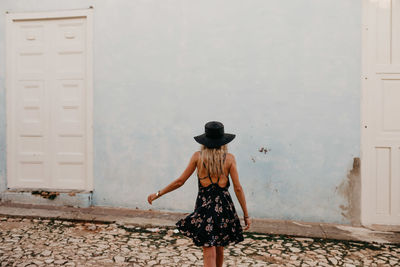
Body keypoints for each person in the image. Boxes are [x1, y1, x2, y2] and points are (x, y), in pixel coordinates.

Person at [147, 121, 251, 267]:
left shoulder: (198, 157)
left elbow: (179, 181)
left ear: (205, 140)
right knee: (219, 246)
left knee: (209, 247)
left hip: (205, 208)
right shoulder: (230, 159)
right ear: (223, 141)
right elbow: (238, 188)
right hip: (224, 208)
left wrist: (158, 193)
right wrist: (246, 215)